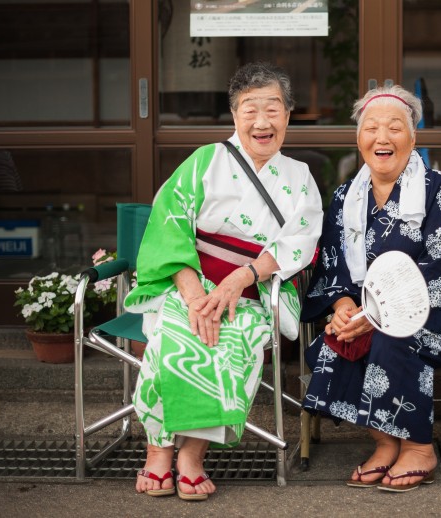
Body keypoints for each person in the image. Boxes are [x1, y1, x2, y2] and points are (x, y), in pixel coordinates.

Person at [125, 62, 323, 500]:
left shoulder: (299, 177)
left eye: (273, 109)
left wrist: (242, 277)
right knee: (172, 337)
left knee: (231, 345)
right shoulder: (204, 162)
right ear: (234, 116)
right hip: (187, 282)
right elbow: (168, 223)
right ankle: (158, 450)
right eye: (250, 109)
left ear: (288, 116)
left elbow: (302, 239)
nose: (261, 121)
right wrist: (194, 293)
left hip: (252, 289)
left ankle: (192, 454)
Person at [301, 85, 441, 493]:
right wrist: (344, 305)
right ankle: (384, 442)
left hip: (437, 313)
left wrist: (376, 316)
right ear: (359, 139)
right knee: (338, 335)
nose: (383, 138)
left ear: (413, 137)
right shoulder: (346, 197)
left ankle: (418, 447)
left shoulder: (440, 192)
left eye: (395, 128)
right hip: (368, 311)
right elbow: (333, 263)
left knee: (391, 336)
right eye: (372, 128)